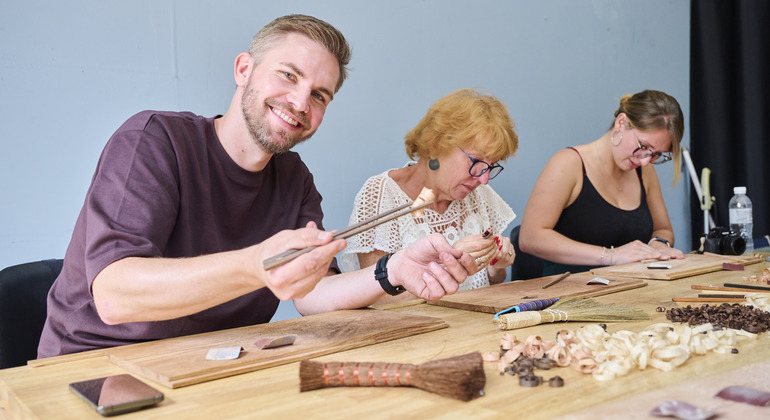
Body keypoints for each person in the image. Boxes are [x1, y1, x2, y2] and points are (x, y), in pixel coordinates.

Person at [38, 14, 474, 358]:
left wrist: (391, 270)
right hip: (93, 365)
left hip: (213, 364)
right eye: (288, 75)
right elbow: (115, 295)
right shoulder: (155, 141)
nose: (301, 103)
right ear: (244, 69)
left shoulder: (294, 179)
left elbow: (313, 292)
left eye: (320, 95)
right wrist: (255, 265)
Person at [340, 88, 518, 303]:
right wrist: (449, 261)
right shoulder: (382, 194)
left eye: (491, 166)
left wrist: (495, 266)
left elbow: (491, 282)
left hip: (472, 329)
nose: (484, 179)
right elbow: (379, 299)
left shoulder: (479, 197)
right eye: (476, 162)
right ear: (436, 146)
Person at [519, 89, 685, 276]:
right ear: (621, 123)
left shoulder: (644, 172)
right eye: (643, 147)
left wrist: (659, 244)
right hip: (568, 292)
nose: (646, 160)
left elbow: (662, 229)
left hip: (629, 289)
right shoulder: (568, 164)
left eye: (656, 154)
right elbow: (530, 238)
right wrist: (610, 256)